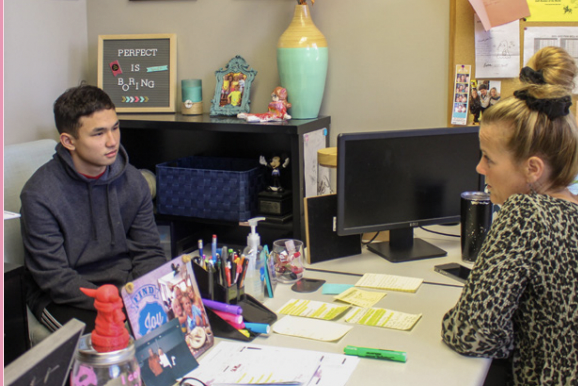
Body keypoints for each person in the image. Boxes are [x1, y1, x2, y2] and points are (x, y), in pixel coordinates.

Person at [441, 46, 578, 385]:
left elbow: (471, 333)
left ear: (532, 169)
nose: (479, 168)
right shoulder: (570, 207)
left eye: (489, 158)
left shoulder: (526, 212)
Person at [21, 85, 167, 332]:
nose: (112, 141)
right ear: (69, 141)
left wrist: (142, 293)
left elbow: (149, 251)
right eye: (98, 134)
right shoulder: (39, 195)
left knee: (182, 324)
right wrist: (111, 301)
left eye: (115, 128)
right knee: (111, 345)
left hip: (123, 288)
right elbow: (54, 278)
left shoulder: (133, 181)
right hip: (66, 298)